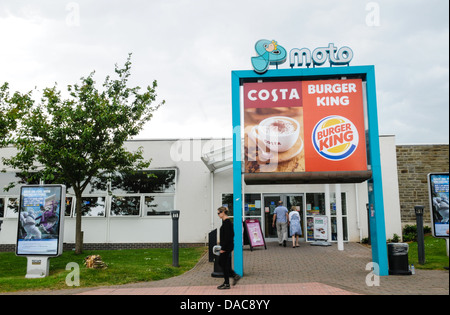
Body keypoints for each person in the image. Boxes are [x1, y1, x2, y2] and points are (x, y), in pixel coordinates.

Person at [217, 206, 240, 290]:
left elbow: (228, 236)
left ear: (223, 213)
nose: (218, 215)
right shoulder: (225, 222)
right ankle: (230, 279)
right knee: (223, 263)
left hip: (226, 247)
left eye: (219, 213)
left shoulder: (227, 222)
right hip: (227, 246)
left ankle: (228, 281)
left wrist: (223, 248)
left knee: (222, 263)